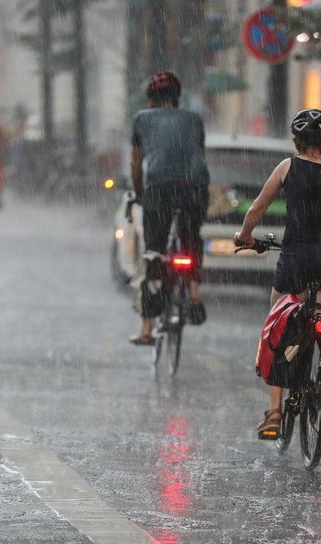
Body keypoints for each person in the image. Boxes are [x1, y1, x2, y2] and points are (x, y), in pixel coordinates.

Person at [234, 108, 321, 439]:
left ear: (298, 140)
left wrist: (245, 236)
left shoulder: (287, 167)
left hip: (296, 257)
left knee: (279, 315)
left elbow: (256, 209)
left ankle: (275, 411)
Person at [128, 71, 210, 345]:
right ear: (177, 98)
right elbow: (199, 157)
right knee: (190, 238)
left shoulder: (141, 120)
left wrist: (139, 194)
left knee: (154, 252)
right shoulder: (194, 120)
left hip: (159, 188)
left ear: (150, 98)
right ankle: (195, 296)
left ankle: (146, 327)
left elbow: (136, 164)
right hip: (193, 188)